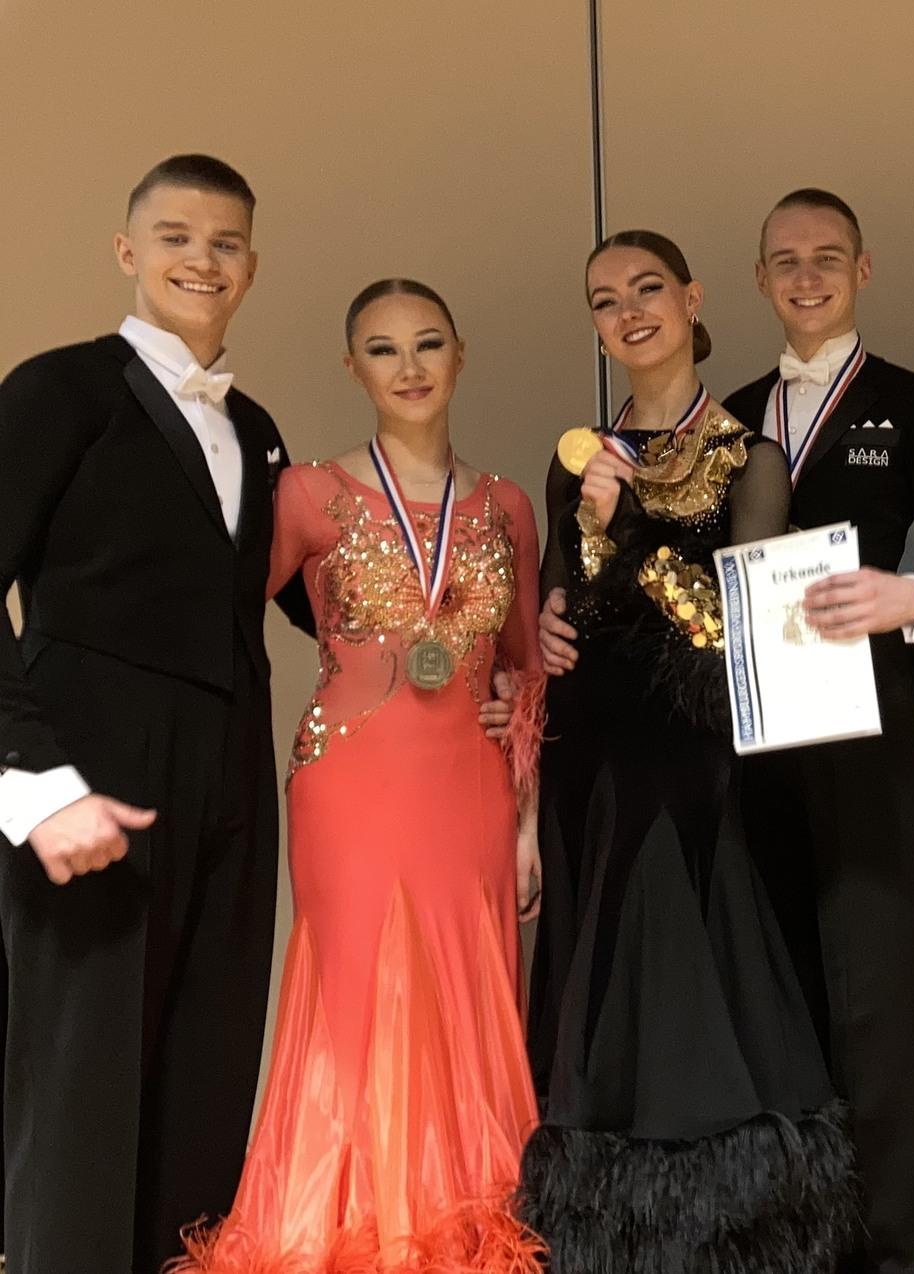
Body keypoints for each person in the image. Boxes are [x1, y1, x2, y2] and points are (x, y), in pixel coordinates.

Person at [172, 280, 545, 1270]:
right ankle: (350, 1231)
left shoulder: (507, 504)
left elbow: (524, 664)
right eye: (384, 350)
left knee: (474, 989)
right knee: (354, 992)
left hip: (470, 779)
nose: (410, 367)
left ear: (460, 352)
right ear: (355, 368)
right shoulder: (309, 495)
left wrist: (528, 821)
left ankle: (472, 1228)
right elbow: (216, 614)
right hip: (348, 782)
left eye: (428, 343)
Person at [512, 230, 857, 1271]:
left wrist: (621, 539)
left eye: (648, 287)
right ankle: (603, 1227)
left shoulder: (750, 457)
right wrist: (550, 616)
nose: (629, 311)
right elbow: (559, 607)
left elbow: (739, 627)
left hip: (698, 758)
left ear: (692, 297)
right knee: (599, 964)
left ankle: (734, 1231)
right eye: (605, 298)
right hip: (589, 760)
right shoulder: (575, 454)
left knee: (706, 967)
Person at [0, 154, 311, 1273]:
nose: (202, 260)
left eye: (226, 243)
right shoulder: (57, 389)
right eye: (176, 237)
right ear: (129, 252)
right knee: (82, 1103)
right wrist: (33, 789)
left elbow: (335, 600)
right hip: (90, 787)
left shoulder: (263, 430)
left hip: (227, 790)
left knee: (205, 1085)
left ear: (252, 267)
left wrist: (490, 647)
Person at [724, 188, 914, 1274]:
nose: (807, 274)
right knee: (778, 998)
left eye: (828, 256)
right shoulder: (728, 417)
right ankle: (804, 1242)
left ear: (863, 269)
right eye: (786, 259)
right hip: (755, 751)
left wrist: (907, 600)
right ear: (760, 278)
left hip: (876, 738)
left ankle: (901, 1251)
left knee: (884, 1002)